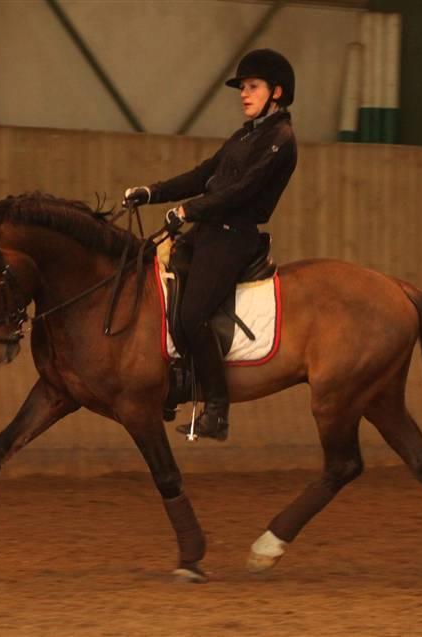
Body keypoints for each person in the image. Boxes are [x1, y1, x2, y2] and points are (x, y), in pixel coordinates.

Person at [123, 49, 297, 441]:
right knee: (161, 296)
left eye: (253, 87)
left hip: (233, 238)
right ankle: (177, 382)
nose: (244, 94)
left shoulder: (280, 140)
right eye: (243, 88)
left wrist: (187, 212)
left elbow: (241, 191)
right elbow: (203, 175)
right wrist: (152, 193)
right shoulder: (244, 136)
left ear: (277, 93)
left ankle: (216, 410)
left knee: (192, 315)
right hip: (207, 232)